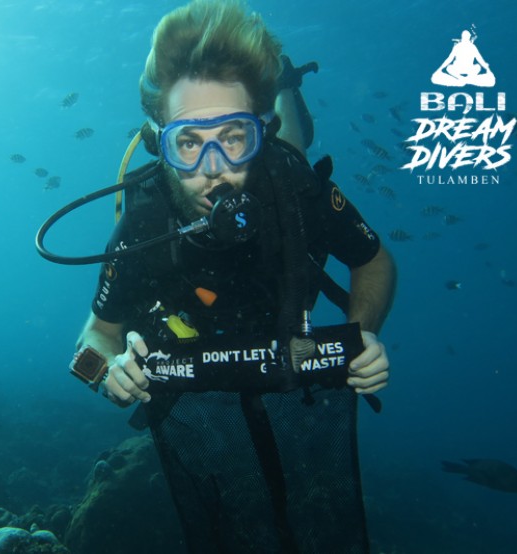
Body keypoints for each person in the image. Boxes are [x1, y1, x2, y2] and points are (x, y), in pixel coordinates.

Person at [73, 1, 396, 552]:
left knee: (297, 145)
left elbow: (374, 262)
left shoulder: (291, 185)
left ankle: (286, 91)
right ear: (160, 142)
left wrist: (363, 331)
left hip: (284, 167)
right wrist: (107, 374)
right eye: (189, 142)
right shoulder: (143, 222)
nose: (214, 168)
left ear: (257, 133)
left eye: (235, 135)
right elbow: (91, 342)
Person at [431, 29, 495, 87]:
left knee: (478, 67)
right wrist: (439, 69)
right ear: (462, 37)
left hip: (469, 69)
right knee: (449, 68)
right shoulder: (457, 46)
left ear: (469, 37)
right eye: (464, 36)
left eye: (467, 36)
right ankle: (464, 79)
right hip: (457, 68)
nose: (465, 38)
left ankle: (463, 80)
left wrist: (488, 69)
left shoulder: (472, 47)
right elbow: (449, 59)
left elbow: (480, 59)